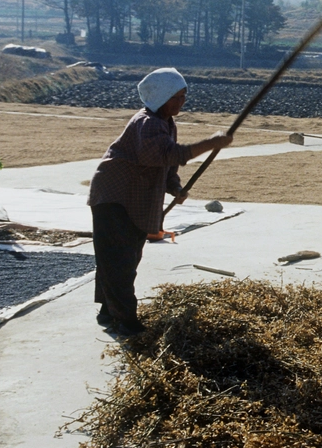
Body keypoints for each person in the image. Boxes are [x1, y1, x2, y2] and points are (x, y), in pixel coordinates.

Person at [87, 68, 232, 337]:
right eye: (177, 97)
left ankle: (109, 310)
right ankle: (126, 321)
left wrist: (175, 186)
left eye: (184, 96)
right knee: (118, 260)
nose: (182, 102)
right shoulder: (148, 122)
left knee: (124, 258)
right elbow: (167, 153)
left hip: (133, 198)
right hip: (115, 196)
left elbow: (167, 163)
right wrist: (211, 143)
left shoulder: (166, 123)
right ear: (162, 97)